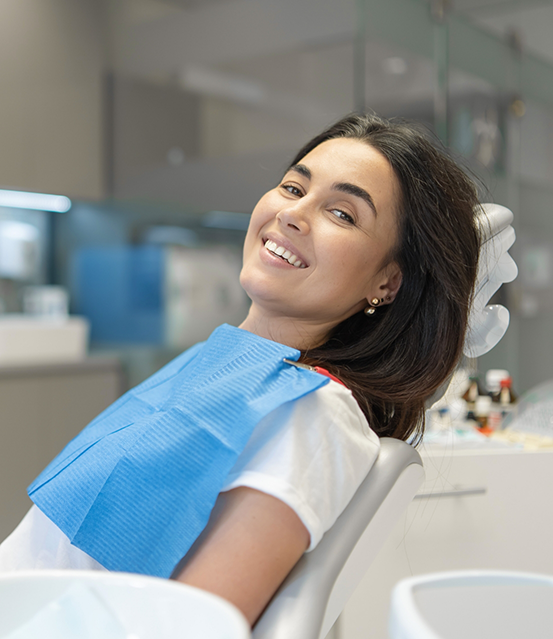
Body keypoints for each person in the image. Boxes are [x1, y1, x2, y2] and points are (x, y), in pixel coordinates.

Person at [0, 113, 480, 625]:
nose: (293, 214)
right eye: (293, 186)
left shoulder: (314, 414)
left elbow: (193, 627)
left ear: (388, 281)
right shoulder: (220, 363)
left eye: (342, 214)